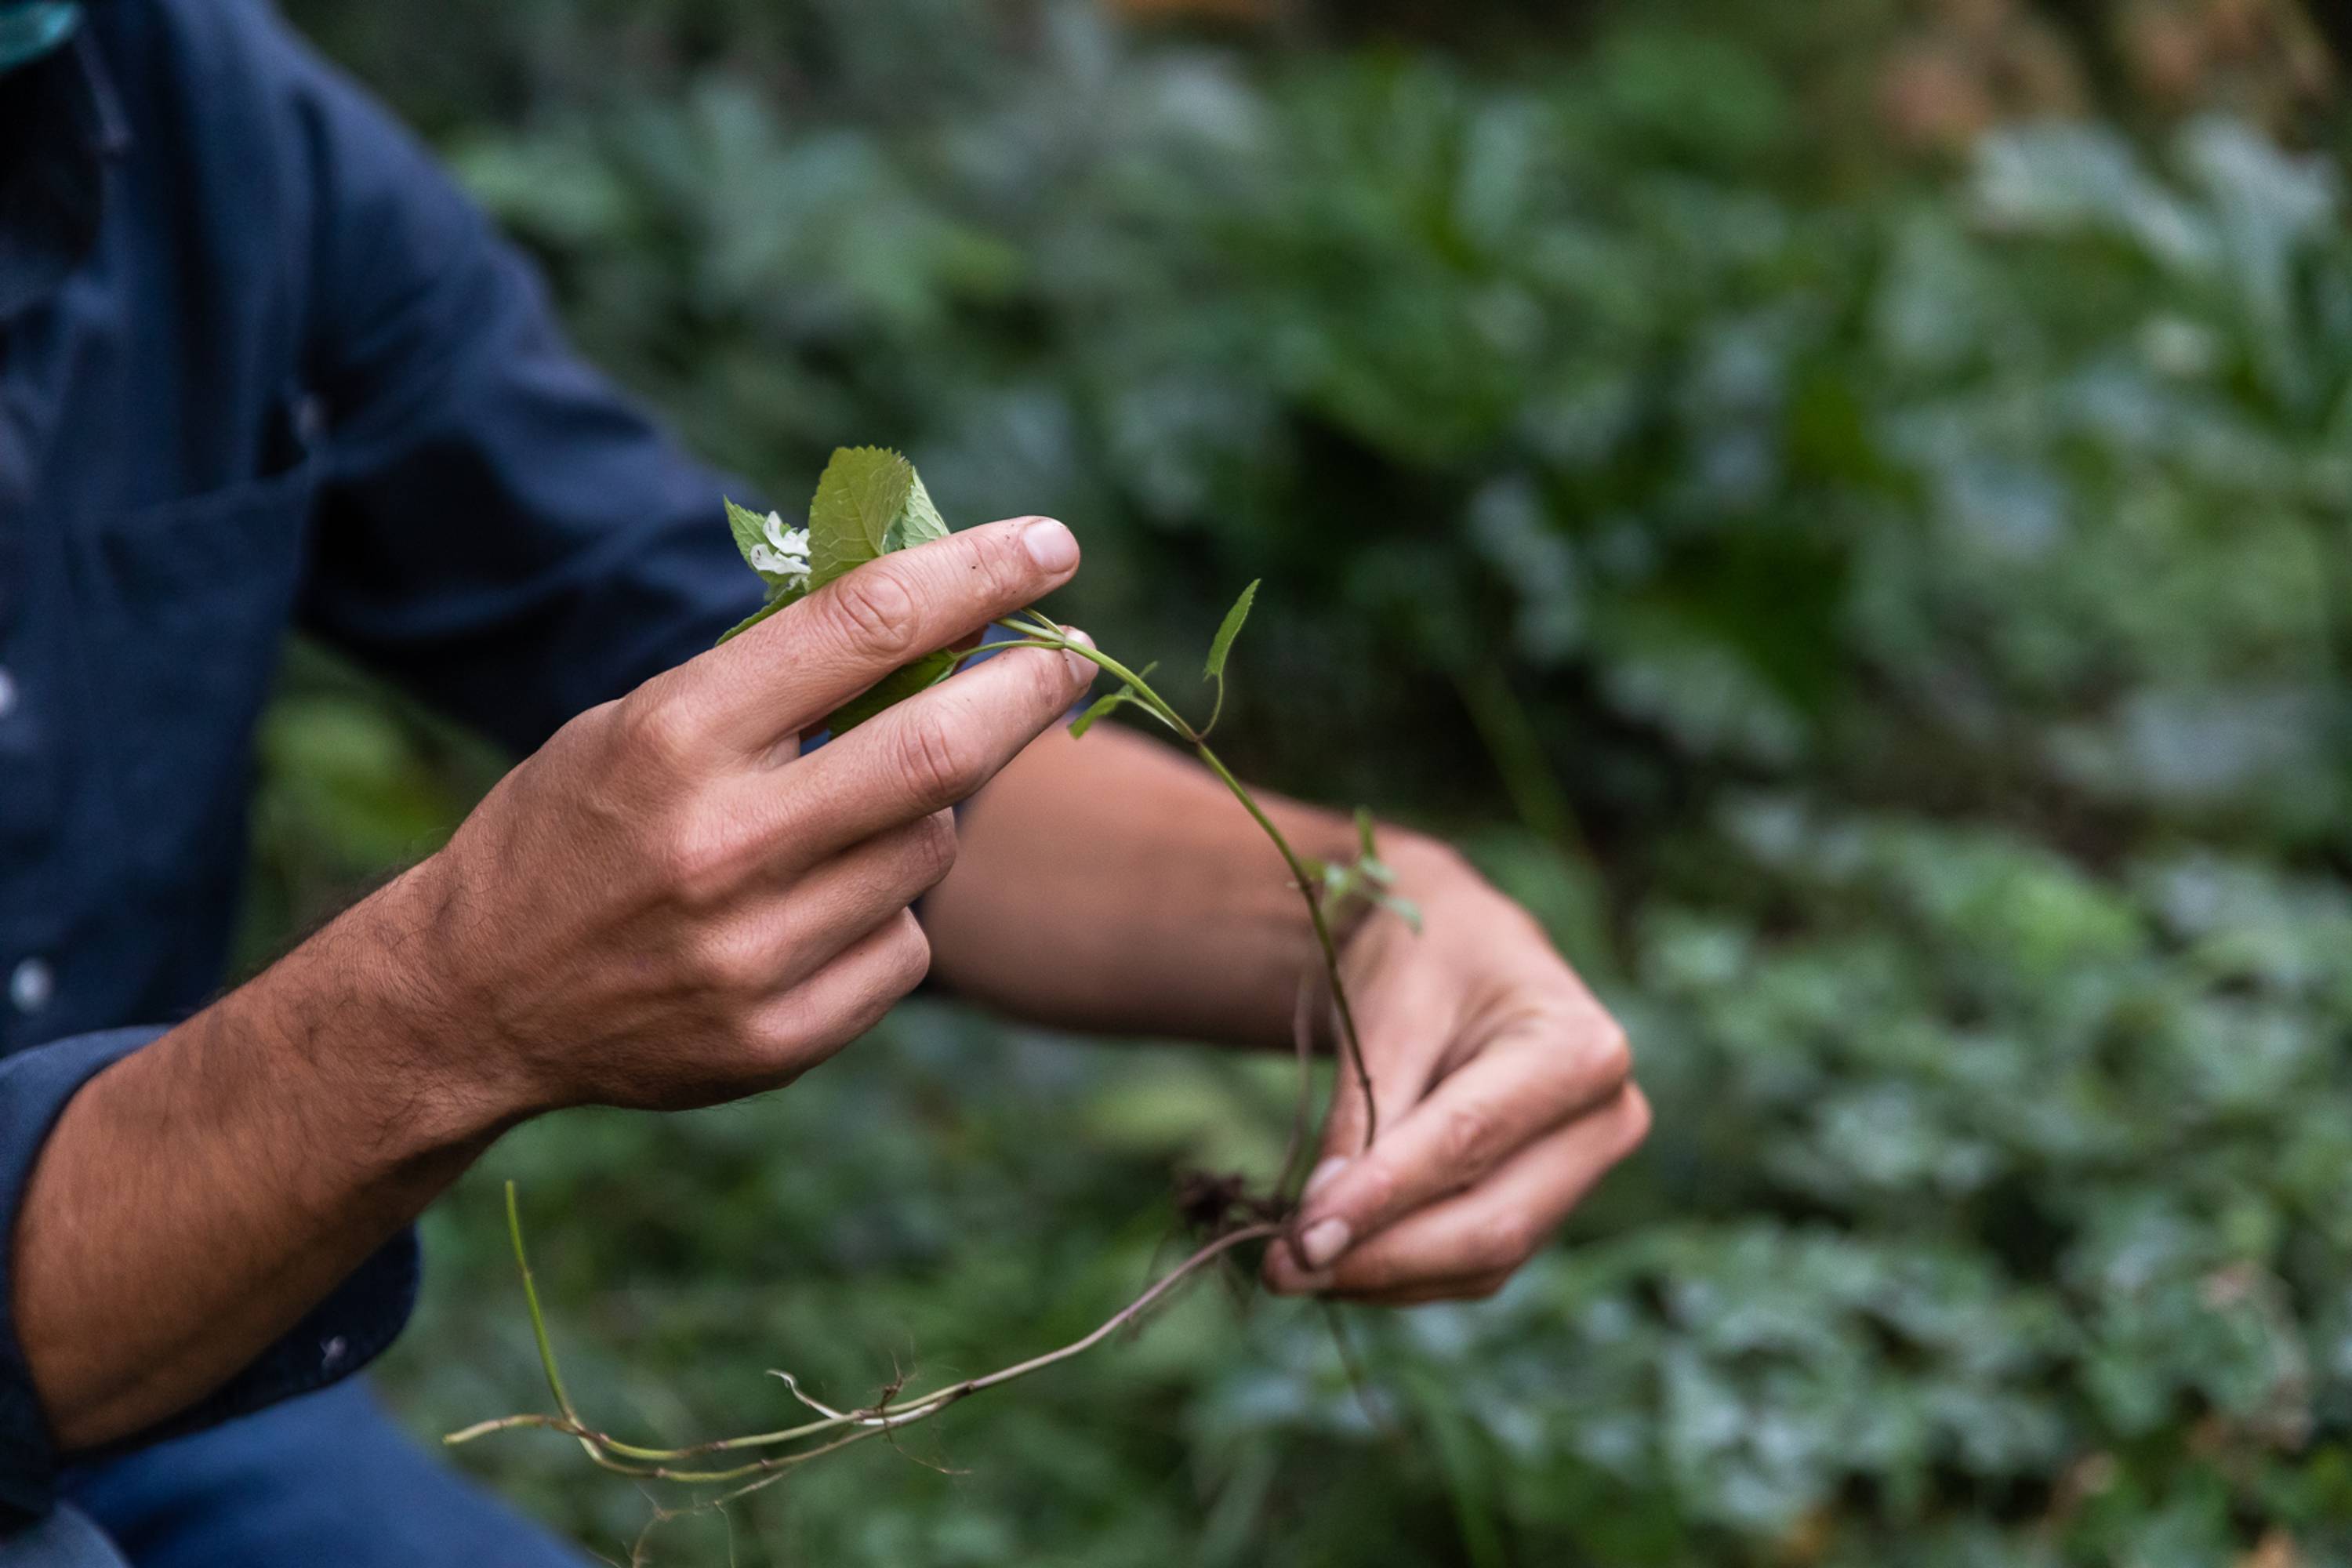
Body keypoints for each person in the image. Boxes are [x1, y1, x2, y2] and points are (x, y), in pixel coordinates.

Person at [0, 0, 1649, 1561]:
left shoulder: (186, 109)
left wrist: (1360, 915)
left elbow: (672, 619)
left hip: (185, 1355)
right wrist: (445, 1008)